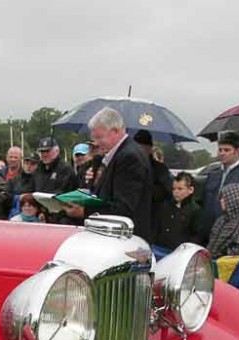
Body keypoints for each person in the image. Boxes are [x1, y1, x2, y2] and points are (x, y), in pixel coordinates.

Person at [62, 107, 153, 239]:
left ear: (115, 131)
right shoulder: (122, 154)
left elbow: (123, 207)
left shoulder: (129, 157)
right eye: (94, 139)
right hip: (118, 235)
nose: (96, 143)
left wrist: (84, 211)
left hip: (126, 238)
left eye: (99, 137)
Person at [197, 131, 239, 242]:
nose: (222, 153)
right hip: (207, 234)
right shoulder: (213, 175)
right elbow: (203, 202)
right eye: (220, 149)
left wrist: (234, 221)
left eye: (227, 150)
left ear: (238, 151)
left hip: (232, 237)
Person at [155, 172, 201, 250]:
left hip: (180, 253)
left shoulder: (195, 211)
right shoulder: (165, 206)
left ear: (190, 190)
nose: (176, 192)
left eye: (180, 189)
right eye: (174, 189)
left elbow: (196, 236)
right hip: (160, 249)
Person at [207, 184, 239, 258]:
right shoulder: (221, 220)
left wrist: (220, 254)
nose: (221, 200)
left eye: (225, 198)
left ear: (233, 200)